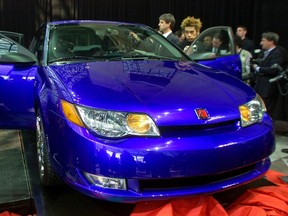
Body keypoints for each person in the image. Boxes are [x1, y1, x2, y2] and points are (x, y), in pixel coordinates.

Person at [252, 32, 287, 118]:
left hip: (268, 87)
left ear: (271, 41)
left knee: (267, 110)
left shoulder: (278, 53)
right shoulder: (265, 52)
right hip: (260, 86)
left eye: (263, 40)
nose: (261, 43)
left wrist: (258, 68)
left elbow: (273, 70)